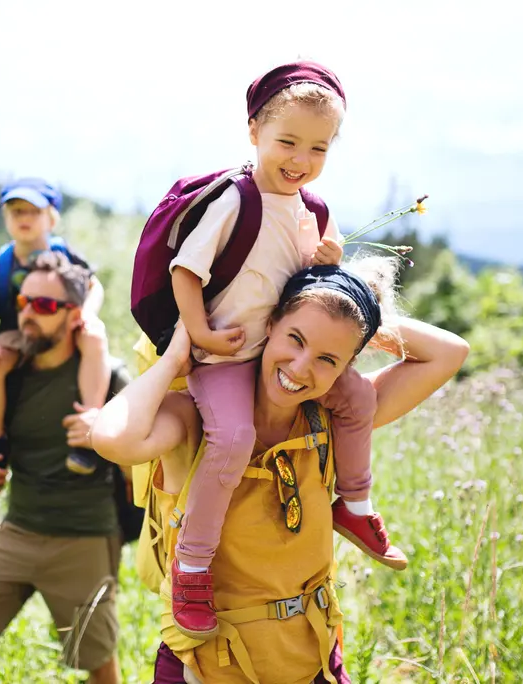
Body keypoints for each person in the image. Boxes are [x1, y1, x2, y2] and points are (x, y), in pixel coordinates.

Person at [92, 262, 470, 683]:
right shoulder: (195, 418)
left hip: (313, 661)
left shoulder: (334, 422)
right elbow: (112, 439)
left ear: (345, 366)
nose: (301, 368)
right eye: (296, 338)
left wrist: (347, 313)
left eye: (327, 359)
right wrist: (176, 358)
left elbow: (450, 352)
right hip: (207, 667)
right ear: (269, 324)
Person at [160, 60, 404, 641]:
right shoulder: (235, 200)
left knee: (357, 399)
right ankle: (192, 565)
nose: (301, 159)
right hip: (226, 355)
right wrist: (200, 335)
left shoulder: (312, 210)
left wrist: (329, 260)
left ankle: (354, 504)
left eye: (318, 148)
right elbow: (186, 271)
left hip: (280, 352)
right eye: (287, 142)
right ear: (254, 131)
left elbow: (319, 289)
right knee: (233, 438)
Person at [0, 252, 126, 684]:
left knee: (99, 664)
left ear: (74, 315)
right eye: (23, 302)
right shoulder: (9, 371)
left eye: (44, 305)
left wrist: (107, 433)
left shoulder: (109, 376)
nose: (28, 313)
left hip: (85, 537)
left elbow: (143, 455)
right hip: (17, 532)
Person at [0, 177, 109, 478]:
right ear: (6, 218)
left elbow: (94, 286)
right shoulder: (0, 264)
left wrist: (88, 313)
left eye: (33, 211)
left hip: (64, 326)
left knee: (94, 337)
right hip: (16, 332)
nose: (24, 218)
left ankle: (88, 426)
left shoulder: (65, 254)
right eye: (16, 211)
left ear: (52, 219)